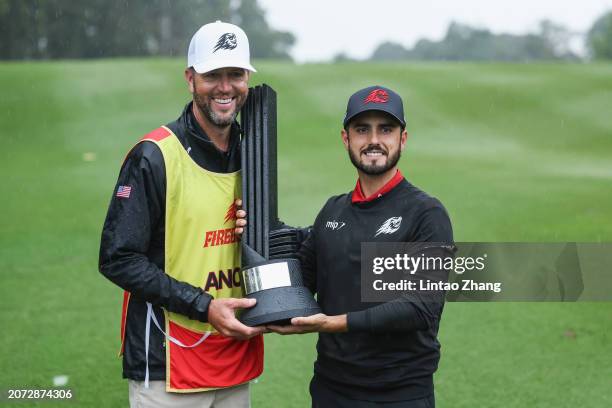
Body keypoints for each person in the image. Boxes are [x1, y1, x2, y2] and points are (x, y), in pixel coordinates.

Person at [99, 21, 265, 407]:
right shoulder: (154, 155)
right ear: (190, 79)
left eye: (235, 74)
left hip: (234, 358)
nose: (225, 87)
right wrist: (205, 307)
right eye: (212, 75)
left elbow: (260, 242)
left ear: (247, 80)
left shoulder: (253, 152)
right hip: (168, 363)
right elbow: (118, 258)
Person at [269, 86, 454, 407]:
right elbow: (301, 281)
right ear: (346, 139)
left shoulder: (426, 213)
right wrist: (255, 231)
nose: (373, 140)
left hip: (399, 393)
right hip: (331, 388)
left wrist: (334, 323)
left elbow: (421, 306)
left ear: (403, 139)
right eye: (362, 129)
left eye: (386, 129)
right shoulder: (332, 211)